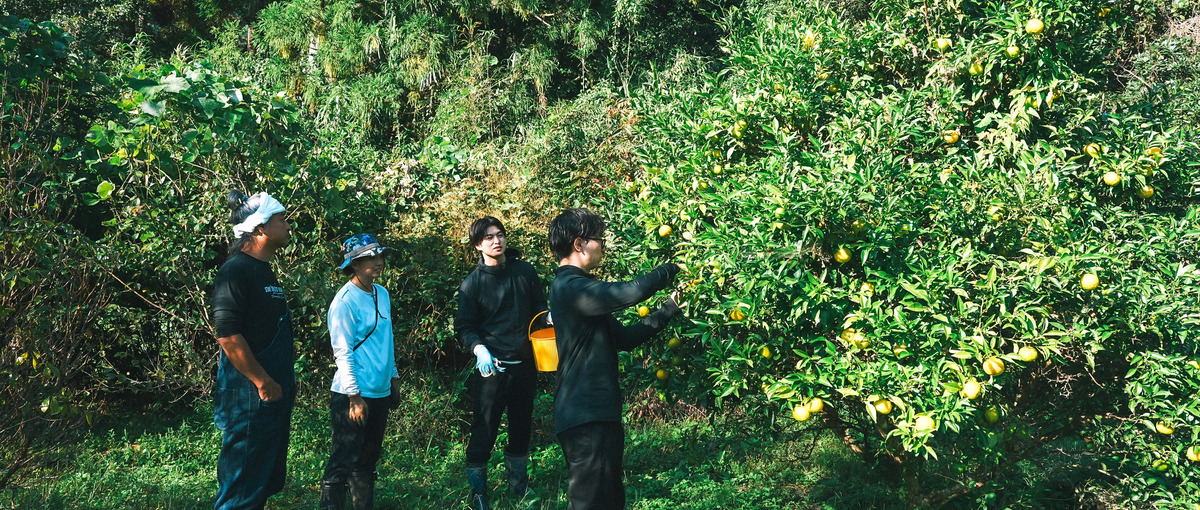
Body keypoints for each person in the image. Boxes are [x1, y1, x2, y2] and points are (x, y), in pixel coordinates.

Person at [547, 208, 681, 509]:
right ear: (580, 243)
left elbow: (624, 340)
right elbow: (627, 293)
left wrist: (668, 309)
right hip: (585, 413)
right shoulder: (571, 287)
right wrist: (671, 268)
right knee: (589, 502)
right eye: (599, 239)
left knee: (608, 501)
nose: (603, 245)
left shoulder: (579, 290)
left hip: (598, 413)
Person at [454, 216, 549, 510]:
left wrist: (549, 319)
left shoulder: (525, 272)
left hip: (525, 364)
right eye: (489, 238)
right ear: (477, 245)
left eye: (500, 235)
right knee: (485, 429)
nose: (497, 241)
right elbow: (465, 327)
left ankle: (519, 486)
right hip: (491, 368)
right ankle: (479, 493)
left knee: (521, 425)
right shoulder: (472, 285)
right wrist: (479, 349)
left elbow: (539, 309)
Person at [211, 190, 296, 510]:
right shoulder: (236, 270)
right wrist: (262, 381)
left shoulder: (263, 270)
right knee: (240, 492)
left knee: (261, 484)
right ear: (260, 228)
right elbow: (228, 335)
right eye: (281, 219)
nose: (288, 225)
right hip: (249, 399)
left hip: (269, 399)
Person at [319, 233, 400, 510]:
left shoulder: (382, 293)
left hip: (380, 389)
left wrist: (394, 376)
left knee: (368, 456)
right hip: (353, 394)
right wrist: (354, 397)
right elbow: (343, 351)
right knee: (343, 458)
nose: (377, 262)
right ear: (353, 264)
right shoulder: (344, 301)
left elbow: (386, 339)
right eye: (369, 258)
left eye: (379, 256)